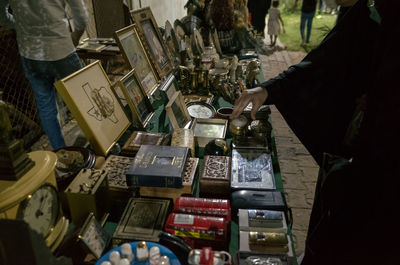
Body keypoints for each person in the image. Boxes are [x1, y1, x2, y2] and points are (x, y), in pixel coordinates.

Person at [231, 0, 400, 264]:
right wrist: (268, 90)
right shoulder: (363, 10)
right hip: (346, 151)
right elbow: (321, 61)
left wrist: (375, 103)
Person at [0, 0, 88, 150]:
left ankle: (60, 152)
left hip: (31, 53)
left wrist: (18, 25)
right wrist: (75, 37)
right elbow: (81, 14)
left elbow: (1, 13)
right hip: (62, 49)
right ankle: (100, 144)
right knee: (84, 99)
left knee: (45, 105)